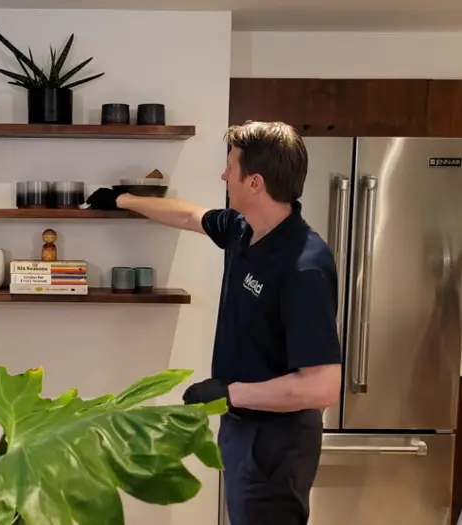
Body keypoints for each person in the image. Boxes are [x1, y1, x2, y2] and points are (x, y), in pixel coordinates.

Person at [86, 121, 342, 525]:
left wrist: (229, 391)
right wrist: (124, 199)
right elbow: (190, 215)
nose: (224, 175)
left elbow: (321, 386)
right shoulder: (247, 230)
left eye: (231, 168)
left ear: (254, 182)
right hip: (242, 427)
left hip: (276, 443)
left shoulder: (302, 266)